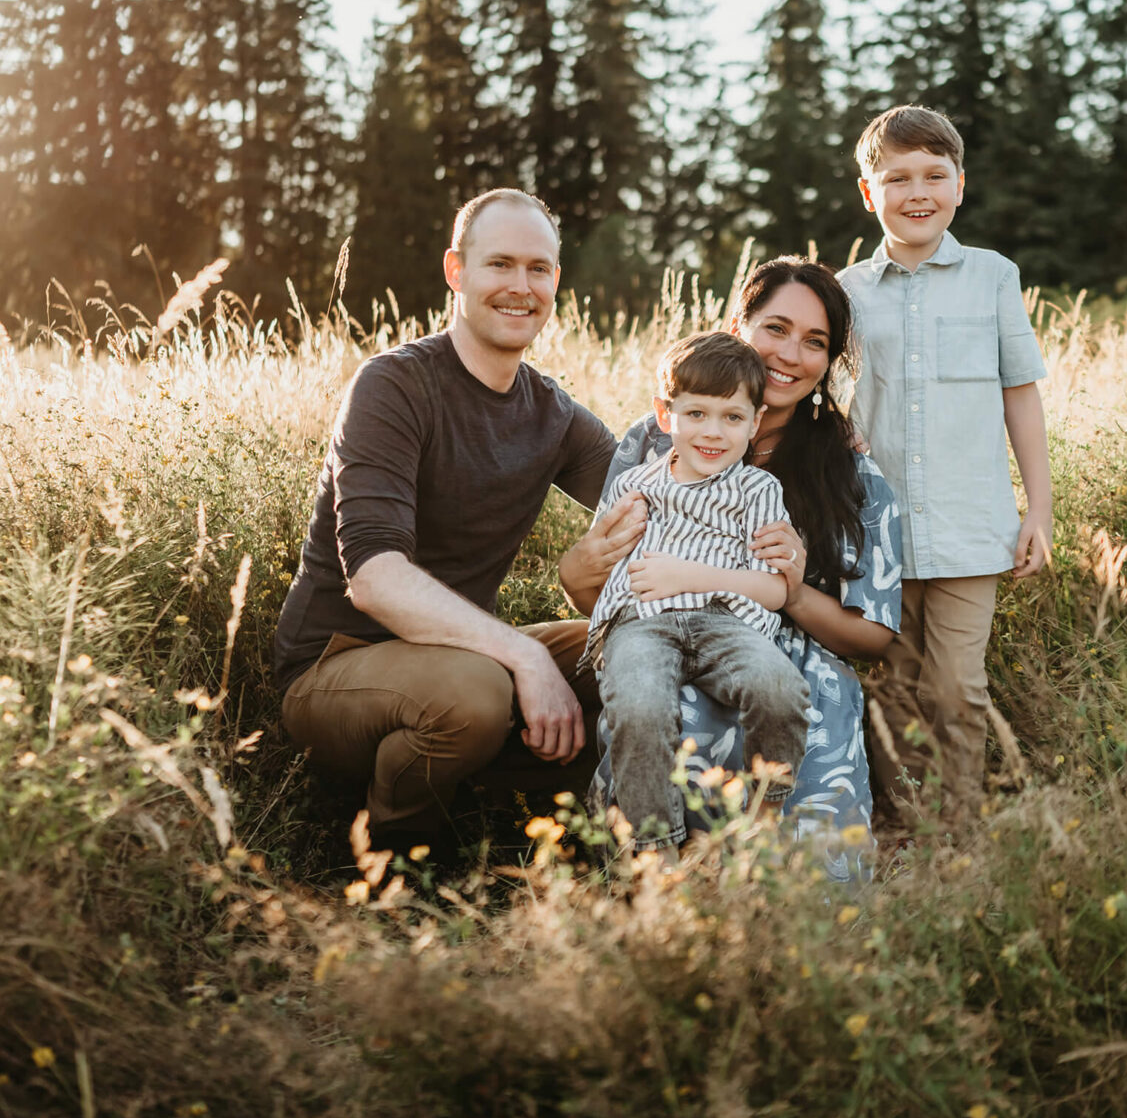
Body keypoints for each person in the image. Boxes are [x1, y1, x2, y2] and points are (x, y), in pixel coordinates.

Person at [272, 189, 616, 854]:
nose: (521, 287)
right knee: (479, 694)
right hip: (336, 665)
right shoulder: (393, 386)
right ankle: (395, 864)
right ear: (456, 271)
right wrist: (523, 654)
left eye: (538, 269)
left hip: (456, 658)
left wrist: (789, 434)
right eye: (500, 265)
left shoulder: (553, 413)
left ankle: (536, 831)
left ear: (555, 282)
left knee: (639, 647)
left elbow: (662, 490)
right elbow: (375, 579)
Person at [561, 258, 903, 880]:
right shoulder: (653, 440)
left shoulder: (850, 469)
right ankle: (656, 879)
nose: (790, 354)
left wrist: (786, 591)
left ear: (829, 364)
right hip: (659, 632)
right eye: (775, 328)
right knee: (656, 716)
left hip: (793, 659)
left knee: (814, 869)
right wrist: (580, 568)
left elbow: (874, 636)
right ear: (738, 327)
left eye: (815, 342)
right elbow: (604, 582)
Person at [839, 104, 1054, 815]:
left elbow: (1020, 397)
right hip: (879, 535)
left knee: (956, 687)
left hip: (970, 528)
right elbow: (831, 403)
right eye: (897, 178)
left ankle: (960, 830)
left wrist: (1039, 512)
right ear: (870, 193)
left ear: (961, 184)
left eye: (935, 174)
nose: (918, 192)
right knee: (895, 686)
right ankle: (907, 824)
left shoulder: (992, 276)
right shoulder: (846, 293)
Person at [589, 331, 812, 853]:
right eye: (696, 415)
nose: (713, 433)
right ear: (665, 415)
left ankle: (761, 822)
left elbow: (776, 593)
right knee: (639, 708)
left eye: (732, 418)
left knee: (780, 689)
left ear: (755, 422)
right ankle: (656, 852)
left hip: (725, 624)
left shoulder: (759, 491)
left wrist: (691, 576)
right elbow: (600, 563)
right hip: (641, 622)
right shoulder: (634, 486)